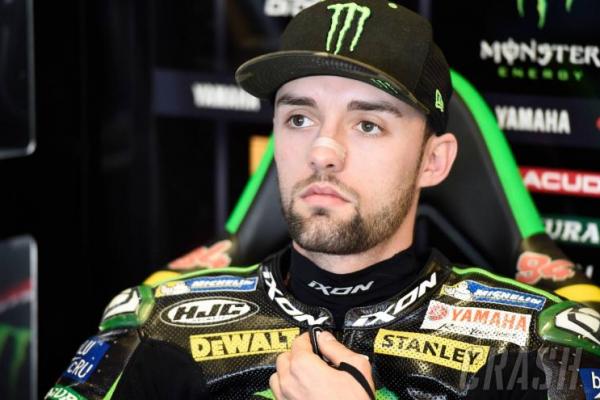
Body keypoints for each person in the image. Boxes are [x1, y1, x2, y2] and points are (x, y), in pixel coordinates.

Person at [45, 1, 600, 399]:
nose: (323, 150)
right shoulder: (160, 327)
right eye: (299, 118)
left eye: (367, 124)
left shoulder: (536, 349)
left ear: (434, 161)